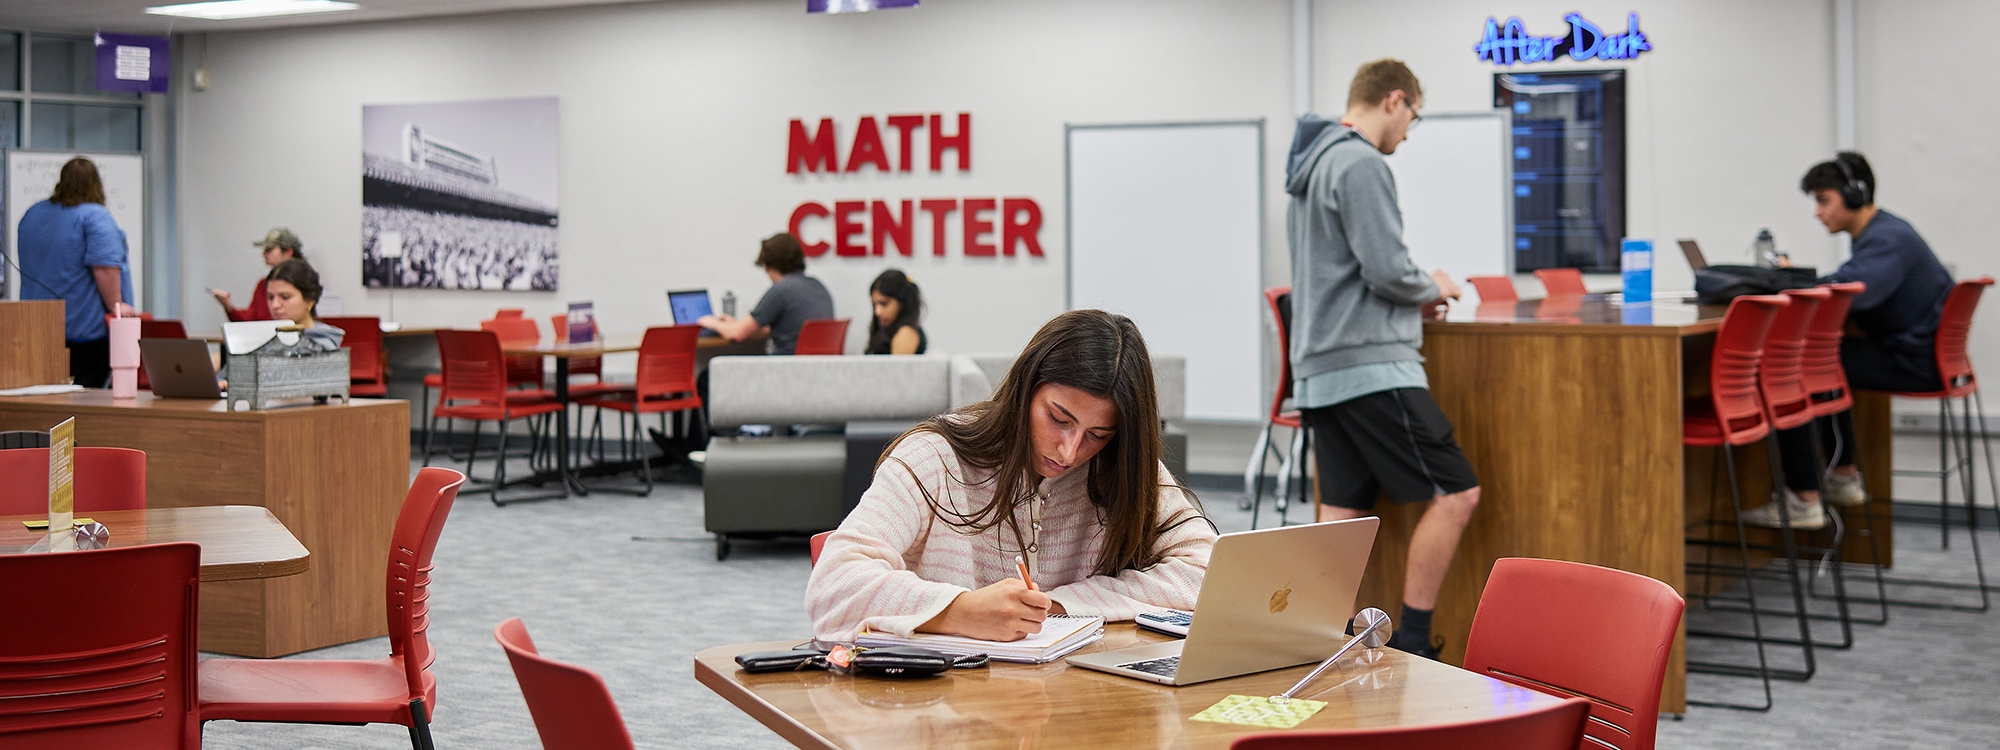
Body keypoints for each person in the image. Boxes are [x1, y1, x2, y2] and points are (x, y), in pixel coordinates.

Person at [807, 310, 1216, 642]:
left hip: (1070, 708)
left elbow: (1211, 571)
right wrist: (957, 611)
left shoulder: (1119, 468)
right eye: (1058, 419)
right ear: (1026, 389)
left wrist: (1058, 606)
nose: (1070, 451)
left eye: (1097, 434)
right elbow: (833, 587)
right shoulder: (933, 457)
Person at [1284, 59, 1477, 659]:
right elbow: (1388, 269)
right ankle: (1417, 642)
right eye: (1412, 116)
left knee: (1341, 518)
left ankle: (1322, 644)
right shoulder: (1360, 161)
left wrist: (1404, 302)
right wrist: (1432, 285)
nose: (1409, 132)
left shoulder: (1314, 165)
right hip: (1369, 370)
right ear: (1394, 100)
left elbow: (1345, 276)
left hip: (1321, 371)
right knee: (1458, 492)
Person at [1749, 152, 1954, 529]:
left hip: (1913, 362)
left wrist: (1796, 282)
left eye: (1823, 200)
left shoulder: (1887, 240)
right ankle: (1842, 474)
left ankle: (1803, 497)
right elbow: (1849, 283)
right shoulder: (1884, 235)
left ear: (1855, 196)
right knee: (1823, 358)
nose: (1817, 212)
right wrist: (1805, 280)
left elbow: (1849, 291)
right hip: (1917, 355)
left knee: (1791, 364)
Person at [16, 157, 136, 388]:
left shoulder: (33, 213)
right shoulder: (95, 216)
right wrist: (117, 306)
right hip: (84, 334)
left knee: (45, 395)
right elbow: (104, 269)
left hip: (37, 330)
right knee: (84, 398)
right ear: (95, 184)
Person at [697, 232, 834, 355]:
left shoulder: (781, 290)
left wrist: (710, 322)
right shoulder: (817, 285)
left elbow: (737, 334)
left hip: (783, 368)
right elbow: (789, 329)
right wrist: (735, 324)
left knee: (706, 376)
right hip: (813, 370)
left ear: (770, 266)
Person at [212, 228, 305, 321]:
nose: (264, 253)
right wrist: (228, 305)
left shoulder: (304, 281)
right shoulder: (263, 284)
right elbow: (250, 320)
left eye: (269, 249)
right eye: (271, 297)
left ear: (288, 252)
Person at [262, 258, 345, 350]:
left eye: (285, 297)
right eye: (271, 297)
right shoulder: (260, 342)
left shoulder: (323, 346)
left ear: (310, 299)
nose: (275, 305)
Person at [865, 269, 927, 355]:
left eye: (884, 304)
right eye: (874, 305)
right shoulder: (888, 330)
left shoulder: (905, 334)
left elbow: (896, 368)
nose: (877, 312)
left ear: (901, 302)